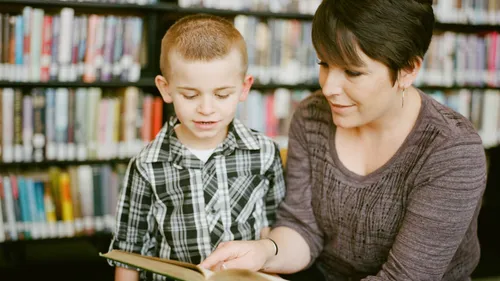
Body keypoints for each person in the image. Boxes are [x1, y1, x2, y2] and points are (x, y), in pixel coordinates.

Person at [199, 0, 488, 280]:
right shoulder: (312, 116)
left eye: (352, 72)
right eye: (324, 64)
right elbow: (302, 227)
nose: (328, 87)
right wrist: (264, 251)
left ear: (408, 70)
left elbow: (406, 277)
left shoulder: (451, 150)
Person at [108, 14, 286, 281]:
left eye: (221, 94)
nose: (206, 108)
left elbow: (274, 228)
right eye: (190, 95)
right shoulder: (146, 165)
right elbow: (128, 251)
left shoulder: (264, 153)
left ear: (244, 88)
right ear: (165, 89)